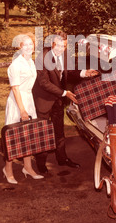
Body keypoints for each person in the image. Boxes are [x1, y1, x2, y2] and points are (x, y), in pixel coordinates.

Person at [32, 31, 98, 174]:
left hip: (58, 99)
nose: (63, 49)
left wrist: (84, 73)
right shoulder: (41, 57)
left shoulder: (66, 54)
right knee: (42, 132)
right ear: (53, 44)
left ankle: (62, 159)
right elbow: (44, 83)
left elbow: (70, 72)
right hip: (43, 99)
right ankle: (41, 164)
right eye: (61, 46)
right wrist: (64, 93)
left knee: (59, 130)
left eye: (65, 46)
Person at [3, 34, 44, 184]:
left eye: (31, 44)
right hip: (17, 102)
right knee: (13, 138)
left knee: (29, 136)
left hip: (29, 100)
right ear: (19, 48)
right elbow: (15, 89)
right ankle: (8, 170)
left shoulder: (31, 63)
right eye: (25, 45)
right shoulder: (15, 65)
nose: (29, 47)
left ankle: (28, 167)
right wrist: (22, 110)